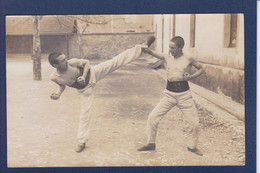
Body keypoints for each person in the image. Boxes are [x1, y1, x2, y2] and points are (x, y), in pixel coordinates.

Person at [48, 36, 155, 153]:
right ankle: (81, 141)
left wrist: (83, 76)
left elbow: (87, 63)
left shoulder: (71, 62)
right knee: (85, 114)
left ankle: (141, 48)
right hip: (85, 91)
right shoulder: (54, 77)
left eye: (65, 58)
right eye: (62, 60)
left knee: (114, 62)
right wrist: (58, 94)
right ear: (55, 66)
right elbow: (62, 85)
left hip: (93, 73)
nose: (66, 61)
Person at [138, 36, 205, 156]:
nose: (170, 50)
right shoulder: (166, 57)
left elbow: (201, 69)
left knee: (194, 123)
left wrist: (191, 77)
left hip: (184, 95)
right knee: (152, 117)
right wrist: (145, 46)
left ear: (180, 48)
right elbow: (148, 51)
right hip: (169, 95)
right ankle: (151, 143)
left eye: (173, 48)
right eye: (169, 47)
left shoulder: (188, 58)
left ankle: (192, 147)